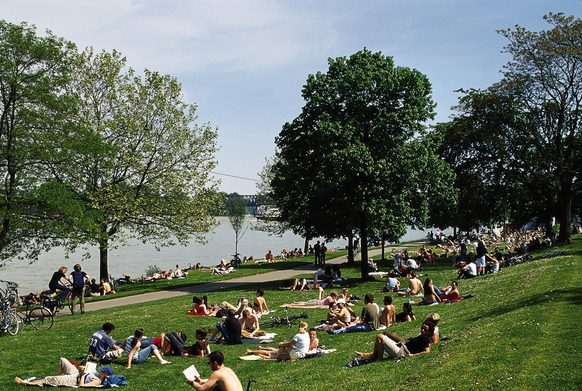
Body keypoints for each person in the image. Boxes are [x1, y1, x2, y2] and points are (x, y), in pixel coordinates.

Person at [355, 322, 434, 362]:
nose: (422, 330)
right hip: (401, 347)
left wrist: (412, 355)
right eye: (422, 328)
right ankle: (368, 355)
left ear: (429, 332)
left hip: (401, 352)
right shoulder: (424, 337)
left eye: (425, 329)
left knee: (379, 337)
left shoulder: (425, 338)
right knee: (382, 340)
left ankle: (379, 360)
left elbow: (427, 351)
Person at [15, 358, 114, 387]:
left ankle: (25, 382)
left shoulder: (97, 381)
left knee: (49, 379)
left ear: (104, 374)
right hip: (76, 373)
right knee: (63, 360)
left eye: (102, 370)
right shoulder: (97, 374)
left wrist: (83, 375)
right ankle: (59, 376)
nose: (100, 370)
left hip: (74, 379)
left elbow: (82, 386)